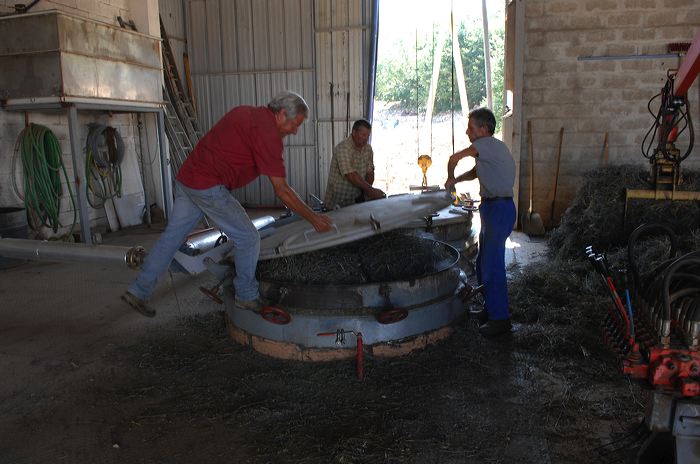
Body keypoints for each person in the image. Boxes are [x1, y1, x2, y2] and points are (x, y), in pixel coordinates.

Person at [121, 91, 333, 317]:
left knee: (170, 239)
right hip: (208, 186)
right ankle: (247, 295)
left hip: (188, 179)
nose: (295, 131)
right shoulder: (268, 134)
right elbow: (282, 190)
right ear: (281, 114)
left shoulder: (244, 112)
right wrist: (314, 219)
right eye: (295, 124)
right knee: (248, 237)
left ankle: (138, 290)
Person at [444, 107, 516, 336]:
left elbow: (453, 158)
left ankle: (501, 320)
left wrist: (449, 179)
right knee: (484, 263)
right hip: (494, 207)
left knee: (493, 267)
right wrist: (458, 179)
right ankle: (490, 309)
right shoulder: (492, 150)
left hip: (499, 209)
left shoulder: (485, 144)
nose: (467, 132)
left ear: (485, 129)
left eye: (471, 128)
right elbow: (476, 172)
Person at [323, 119, 385, 209]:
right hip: (337, 203)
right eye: (363, 135)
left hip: (357, 201)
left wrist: (367, 192)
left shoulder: (368, 149)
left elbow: (370, 172)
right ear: (354, 132)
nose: (366, 139)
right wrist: (371, 190)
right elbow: (351, 175)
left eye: (368, 135)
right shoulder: (343, 148)